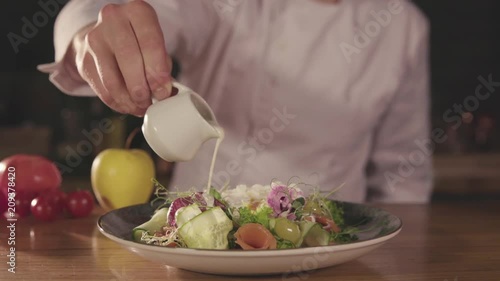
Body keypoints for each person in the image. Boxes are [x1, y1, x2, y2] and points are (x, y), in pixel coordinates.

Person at [39, 0, 433, 203]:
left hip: (329, 250)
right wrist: (89, 32)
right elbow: (107, 10)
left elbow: (405, 177)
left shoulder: (401, 26)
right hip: (196, 248)